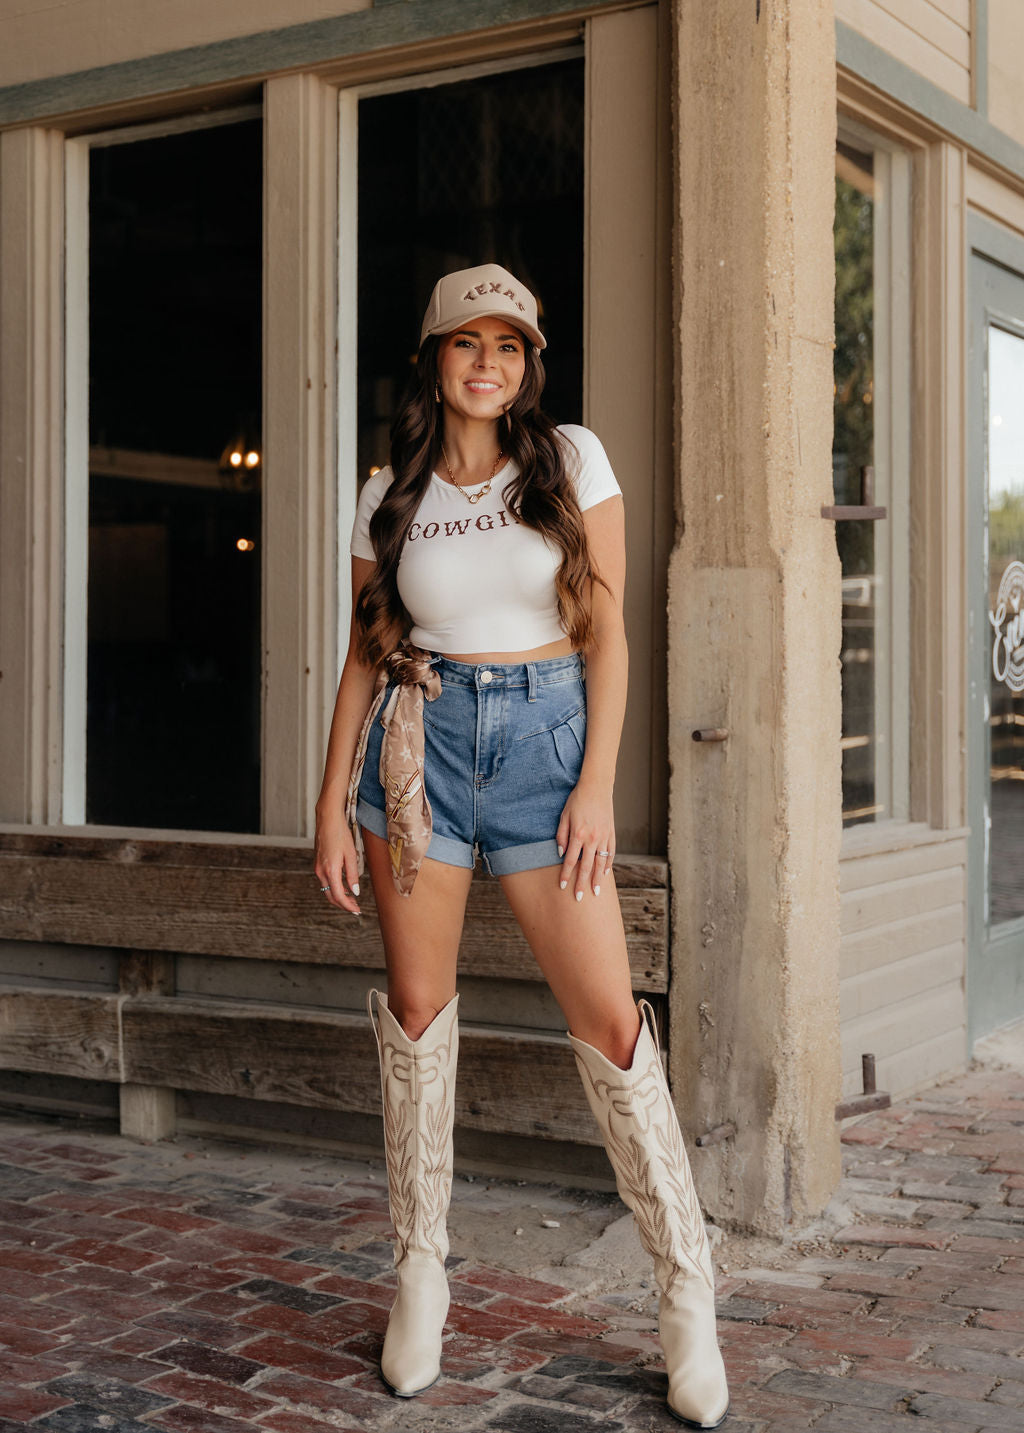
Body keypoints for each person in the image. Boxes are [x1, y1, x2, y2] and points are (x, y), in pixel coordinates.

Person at [313, 262, 729, 1429]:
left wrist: (595, 783)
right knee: (414, 1007)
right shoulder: (386, 492)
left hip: (547, 751)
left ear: (528, 361)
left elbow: (607, 632)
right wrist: (328, 801)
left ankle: (686, 1290)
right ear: (433, 358)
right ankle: (421, 1274)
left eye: (507, 344)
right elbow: (362, 651)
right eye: (465, 342)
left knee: (606, 1020)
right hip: (419, 751)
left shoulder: (570, 460)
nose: (486, 361)